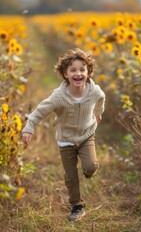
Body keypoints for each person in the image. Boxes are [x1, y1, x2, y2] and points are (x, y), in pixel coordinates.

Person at [22, 48, 105, 221]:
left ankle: (88, 170)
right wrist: (29, 128)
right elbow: (39, 112)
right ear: (65, 74)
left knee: (91, 167)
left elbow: (101, 99)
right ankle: (77, 205)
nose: (78, 73)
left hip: (86, 135)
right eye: (73, 70)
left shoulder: (94, 91)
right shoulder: (59, 96)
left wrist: (98, 113)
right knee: (70, 175)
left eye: (82, 69)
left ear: (88, 72)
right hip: (66, 140)